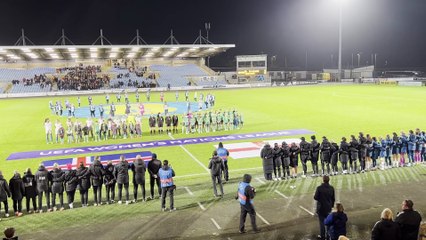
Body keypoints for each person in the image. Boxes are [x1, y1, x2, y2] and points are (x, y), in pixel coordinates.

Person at [314, 175, 335, 240]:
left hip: (321, 208)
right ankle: (328, 235)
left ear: (323, 180)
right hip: (328, 207)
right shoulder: (331, 188)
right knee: (328, 222)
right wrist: (331, 206)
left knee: (322, 223)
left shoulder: (319, 188)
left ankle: (322, 236)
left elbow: (315, 197)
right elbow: (333, 198)